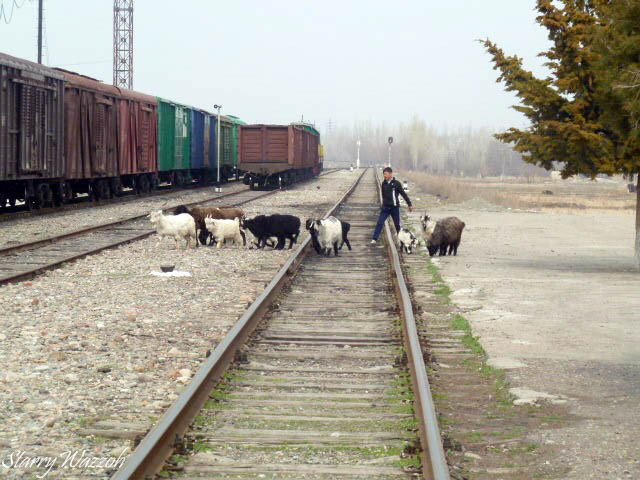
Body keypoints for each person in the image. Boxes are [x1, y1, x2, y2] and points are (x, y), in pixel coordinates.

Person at [371, 167, 413, 244]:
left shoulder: (397, 183)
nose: (384, 176)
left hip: (395, 208)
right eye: (384, 174)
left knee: (397, 226)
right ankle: (374, 239)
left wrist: (409, 204)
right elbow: (383, 195)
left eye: (386, 174)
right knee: (380, 223)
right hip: (385, 208)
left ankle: (401, 241)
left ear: (390, 174)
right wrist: (384, 204)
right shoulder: (384, 183)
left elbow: (403, 194)